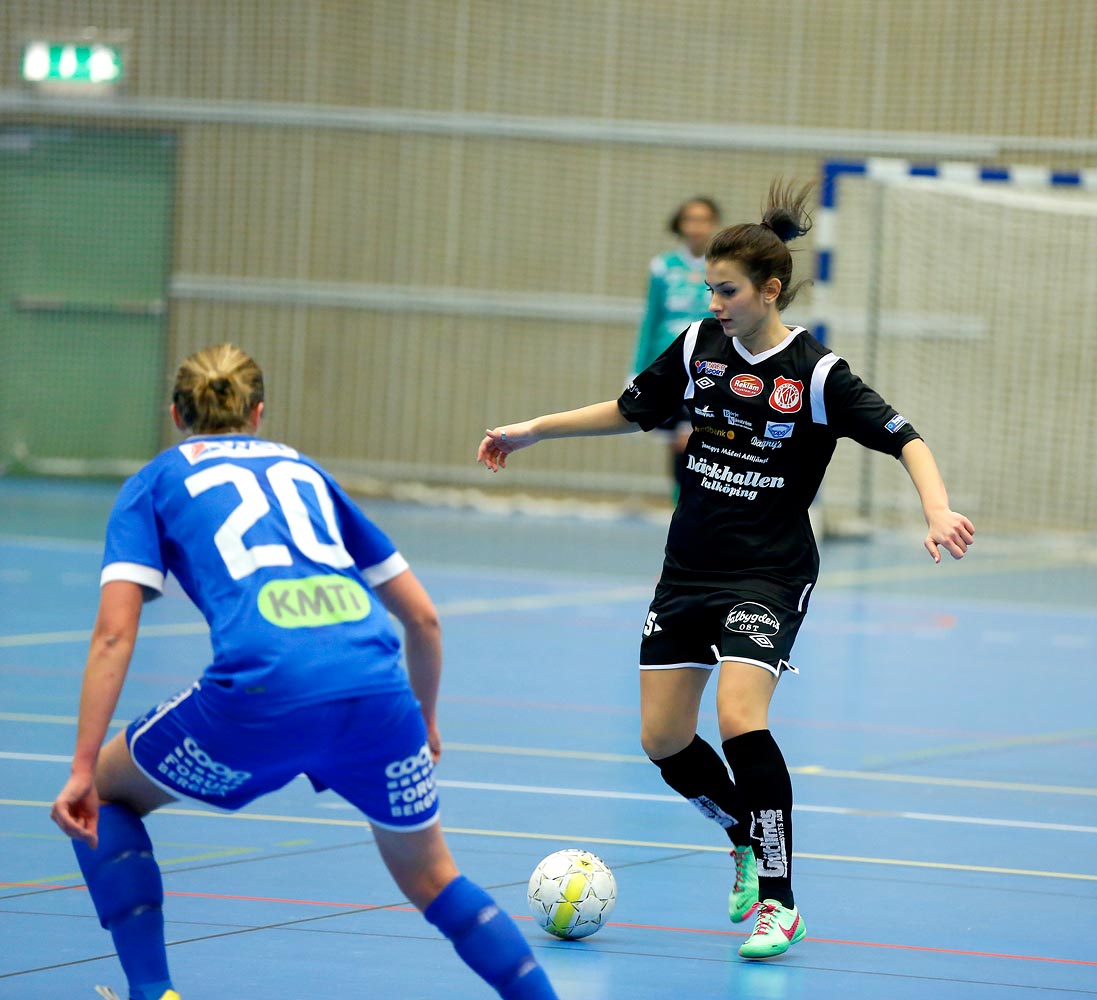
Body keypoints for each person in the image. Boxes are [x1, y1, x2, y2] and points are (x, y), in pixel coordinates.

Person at [477, 181, 974, 960]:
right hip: (689, 567)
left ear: (769, 291)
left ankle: (780, 901)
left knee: (742, 717)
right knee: (663, 738)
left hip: (769, 573)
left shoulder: (816, 372)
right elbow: (629, 408)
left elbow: (907, 437)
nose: (714, 301)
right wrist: (533, 430)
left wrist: (936, 510)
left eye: (727, 290)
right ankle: (743, 833)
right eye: (709, 288)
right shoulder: (693, 348)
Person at [51, 345, 556, 1000]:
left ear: (176, 414)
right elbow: (423, 620)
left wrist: (83, 767)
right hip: (379, 694)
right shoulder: (304, 470)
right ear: (258, 413)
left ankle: (154, 992)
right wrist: (423, 722)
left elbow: (116, 633)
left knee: (109, 798)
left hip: (261, 691)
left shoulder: (153, 481)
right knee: (433, 876)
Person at [633, 196, 721, 498]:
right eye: (690, 219)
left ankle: (700, 508)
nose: (697, 227)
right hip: (671, 364)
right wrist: (636, 370)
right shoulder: (662, 267)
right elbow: (650, 319)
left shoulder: (722, 267)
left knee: (702, 436)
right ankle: (681, 507)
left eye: (704, 219)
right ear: (680, 225)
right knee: (678, 444)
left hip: (709, 366)